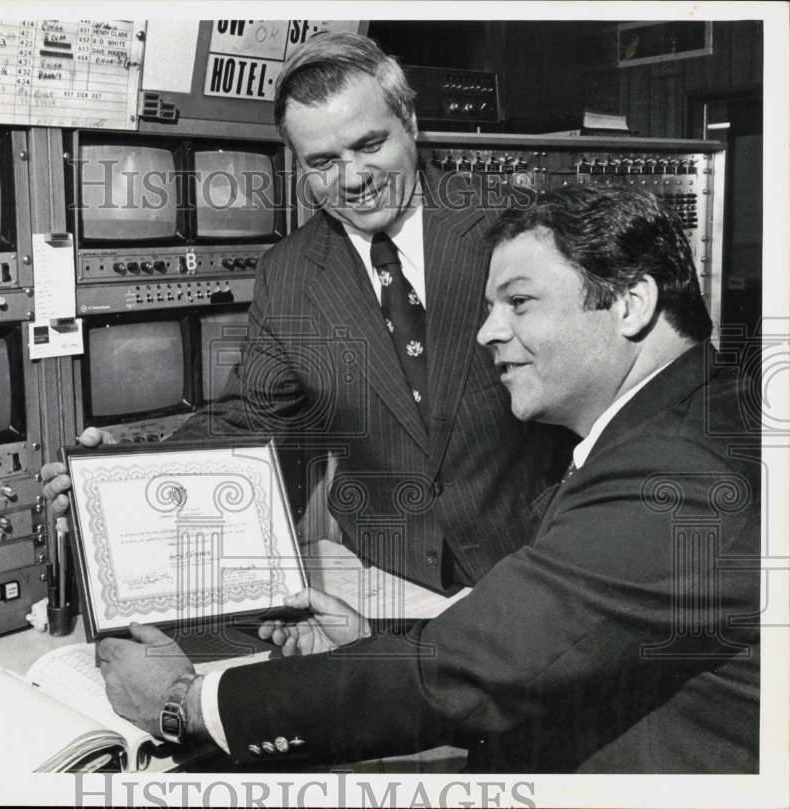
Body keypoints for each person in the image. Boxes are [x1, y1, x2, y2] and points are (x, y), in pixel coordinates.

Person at [95, 185, 760, 773]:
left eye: (518, 302)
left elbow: (466, 673)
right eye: (489, 306)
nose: (486, 332)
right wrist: (368, 648)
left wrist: (186, 704)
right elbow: (548, 648)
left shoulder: (679, 473)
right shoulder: (694, 413)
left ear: (632, 304)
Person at [42, 32, 569, 592]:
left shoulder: (514, 227)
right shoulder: (288, 273)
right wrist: (122, 475)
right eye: (323, 162)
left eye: (370, 144)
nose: (353, 178)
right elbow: (252, 419)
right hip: (391, 583)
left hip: (539, 565)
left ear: (409, 122)